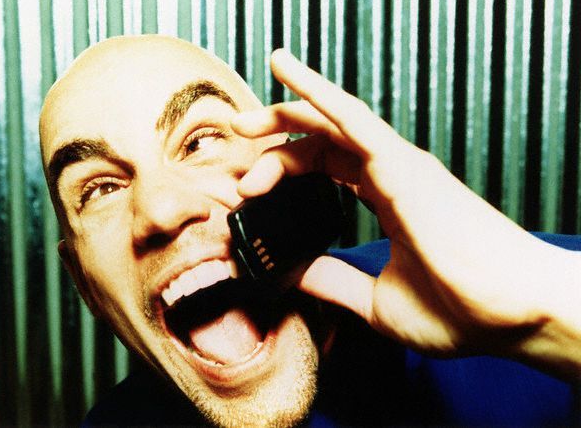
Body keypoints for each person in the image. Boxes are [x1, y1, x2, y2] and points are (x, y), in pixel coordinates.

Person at [39, 34, 581, 427]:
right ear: (86, 285)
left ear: (291, 165)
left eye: (200, 141)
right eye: (100, 189)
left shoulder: (548, 297)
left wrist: (541, 315)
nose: (160, 210)